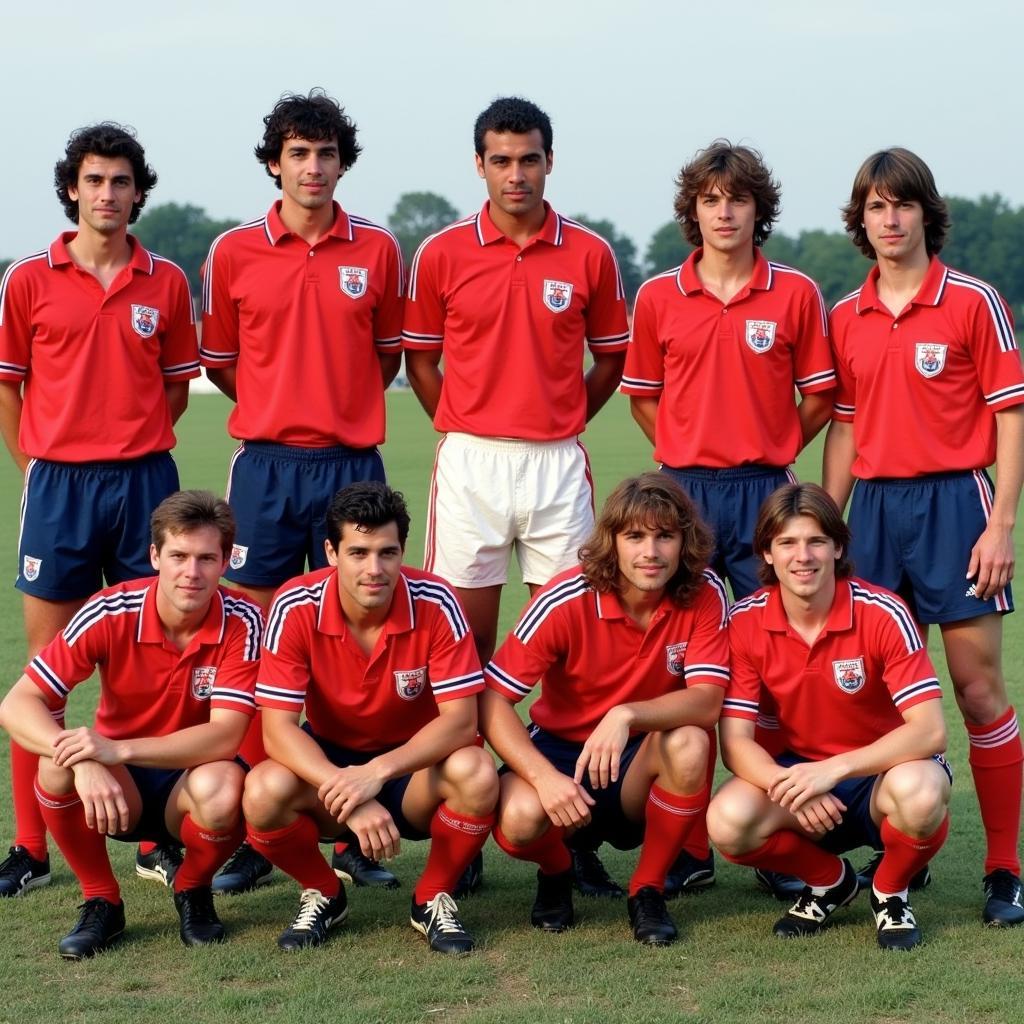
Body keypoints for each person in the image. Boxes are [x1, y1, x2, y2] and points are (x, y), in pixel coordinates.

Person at [403, 96, 629, 899]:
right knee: (463, 648)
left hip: (557, 465)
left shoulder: (592, 254)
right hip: (468, 463)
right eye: (500, 160)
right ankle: (461, 835)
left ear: (549, 161)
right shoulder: (440, 253)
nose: (516, 173)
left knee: (573, 646)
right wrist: (462, 426)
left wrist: (561, 422)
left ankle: (569, 836)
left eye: (529, 158)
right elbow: (421, 360)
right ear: (479, 165)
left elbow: (610, 362)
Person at [200, 89, 405, 892]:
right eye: (297, 153)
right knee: (251, 636)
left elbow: (386, 358)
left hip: (351, 466)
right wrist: (280, 408)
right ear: (274, 162)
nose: (312, 168)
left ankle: (356, 829)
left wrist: (334, 409)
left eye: (325, 154)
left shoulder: (380, 250)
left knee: (359, 634)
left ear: (341, 162)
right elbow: (221, 361)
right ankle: (262, 826)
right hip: (264, 465)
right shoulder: (234, 251)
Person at [619, 139, 835, 898]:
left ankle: (779, 818)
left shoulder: (795, 293)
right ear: (694, 210)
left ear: (757, 209)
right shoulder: (657, 296)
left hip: (764, 493)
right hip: (683, 494)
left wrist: (775, 450)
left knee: (771, 659)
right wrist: (683, 458)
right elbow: (642, 396)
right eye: (710, 199)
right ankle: (686, 843)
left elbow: (820, 396)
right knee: (685, 660)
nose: (723, 211)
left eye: (737, 199)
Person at [823, 148, 1024, 926]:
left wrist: (1001, 523)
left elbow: (1010, 418)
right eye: (875, 207)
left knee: (977, 691)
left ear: (926, 213)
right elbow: (843, 428)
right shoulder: (847, 313)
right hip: (871, 511)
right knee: (877, 702)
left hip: (957, 509)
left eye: (902, 204)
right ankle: (910, 849)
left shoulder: (973, 300)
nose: (890, 219)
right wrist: (830, 528)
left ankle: (1005, 867)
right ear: (862, 220)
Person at [0, 122, 199, 898]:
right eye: (94, 181)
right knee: (45, 677)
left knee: (149, 667)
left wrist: (131, 442)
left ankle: (151, 837)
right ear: (72, 189)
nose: (107, 194)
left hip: (145, 484)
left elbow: (176, 387)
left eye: (121, 181)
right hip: (58, 489)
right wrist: (39, 464)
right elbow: (8, 386)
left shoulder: (167, 281)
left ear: (137, 191)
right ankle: (30, 845)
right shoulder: (27, 278)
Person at [0, 491, 262, 959]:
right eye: (179, 556)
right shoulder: (110, 610)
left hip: (191, 781)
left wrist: (116, 750)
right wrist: (82, 758)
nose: (192, 572)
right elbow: (18, 703)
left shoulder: (244, 620)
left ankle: (193, 888)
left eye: (207, 558)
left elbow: (225, 735)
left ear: (226, 561)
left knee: (226, 785)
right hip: (119, 791)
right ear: (155, 556)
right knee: (56, 767)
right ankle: (101, 899)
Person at [242, 482, 498, 954]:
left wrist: (375, 774)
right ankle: (324, 891)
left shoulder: (437, 601)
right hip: (332, 768)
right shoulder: (294, 605)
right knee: (261, 791)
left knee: (477, 773)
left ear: (403, 550)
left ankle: (432, 895)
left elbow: (462, 723)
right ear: (330, 552)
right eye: (357, 552)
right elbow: (276, 730)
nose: (374, 569)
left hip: (413, 768)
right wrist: (351, 792)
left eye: (387, 552)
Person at [480, 474, 729, 946]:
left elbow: (707, 700)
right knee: (517, 819)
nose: (650, 552)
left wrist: (625, 715)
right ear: (611, 542)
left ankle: (647, 889)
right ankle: (557, 870)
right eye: (634, 536)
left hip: (637, 759)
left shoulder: (704, 591)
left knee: (691, 741)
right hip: (562, 755)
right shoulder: (565, 597)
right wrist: (543, 777)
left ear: (684, 542)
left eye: (665, 536)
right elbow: (493, 699)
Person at [707, 483, 950, 950]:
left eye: (816, 541)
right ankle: (831, 882)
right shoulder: (744, 622)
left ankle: (891, 889)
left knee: (920, 793)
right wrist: (791, 786)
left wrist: (831, 771)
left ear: (838, 547)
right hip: (802, 779)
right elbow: (735, 743)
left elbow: (931, 730)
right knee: (728, 820)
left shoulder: (883, 612)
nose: (804, 556)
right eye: (787, 543)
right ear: (767, 552)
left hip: (885, 773)